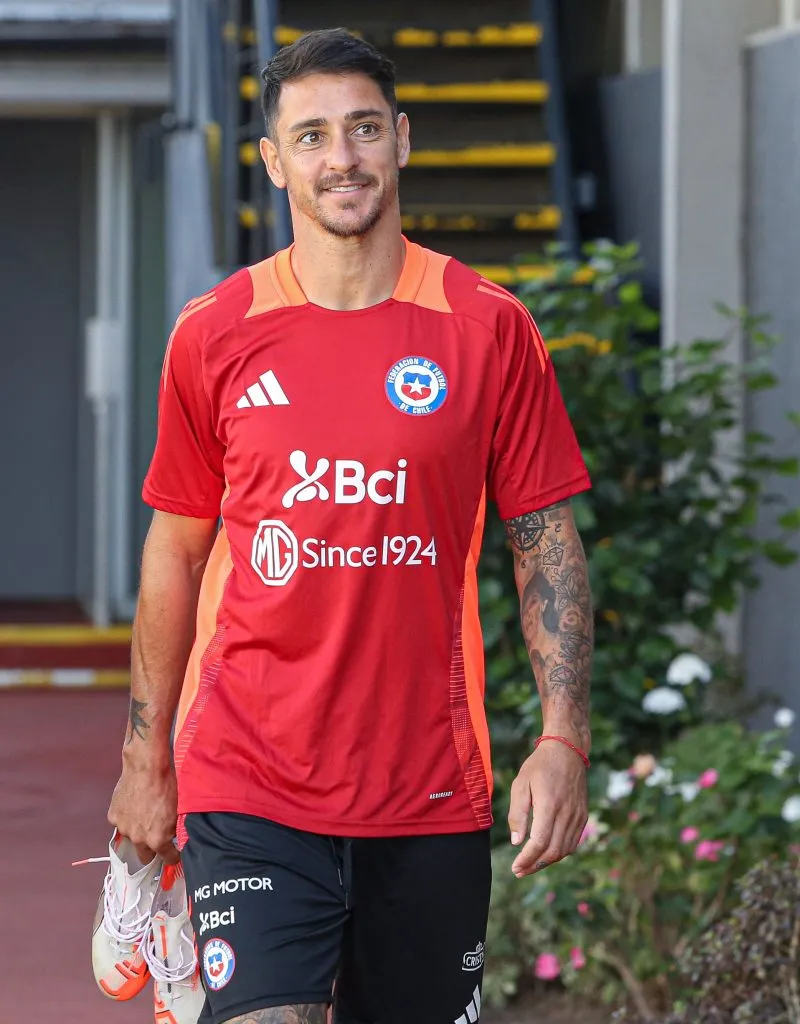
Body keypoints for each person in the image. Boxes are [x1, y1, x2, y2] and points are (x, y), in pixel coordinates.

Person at [106, 26, 594, 1024]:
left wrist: (564, 739)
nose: (343, 159)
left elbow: (544, 534)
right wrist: (142, 766)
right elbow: (176, 551)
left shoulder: (487, 327)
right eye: (314, 135)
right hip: (250, 778)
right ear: (273, 160)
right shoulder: (216, 333)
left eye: (364, 129)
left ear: (403, 140)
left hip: (427, 789)